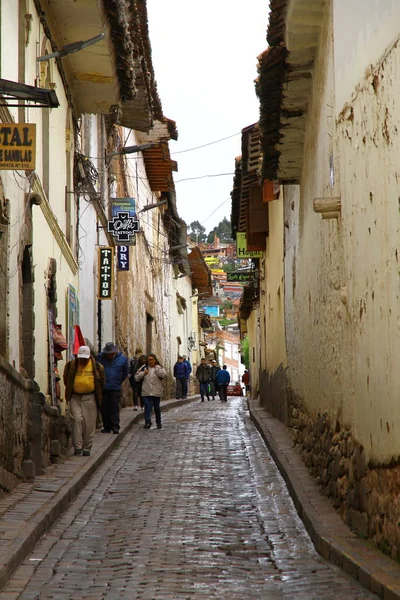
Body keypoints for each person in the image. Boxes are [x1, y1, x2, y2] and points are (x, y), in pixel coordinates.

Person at [63, 345, 105, 456]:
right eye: (81, 358)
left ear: (89, 356)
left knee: (89, 424)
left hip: (90, 397)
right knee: (76, 420)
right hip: (75, 397)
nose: (83, 360)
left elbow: (102, 381)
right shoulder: (71, 365)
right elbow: (66, 379)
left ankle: (87, 448)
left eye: (85, 358)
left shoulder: (97, 366)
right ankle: (77, 447)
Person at [97, 342, 129, 434]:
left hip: (115, 387)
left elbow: (125, 372)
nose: (109, 355)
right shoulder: (100, 358)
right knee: (104, 408)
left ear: (114, 352)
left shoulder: (122, 359)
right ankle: (106, 427)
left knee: (114, 407)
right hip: (104, 387)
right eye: (107, 354)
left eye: (110, 354)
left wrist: (118, 381)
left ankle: (115, 426)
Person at [135, 353, 167, 429]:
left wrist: (157, 370)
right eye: (149, 360)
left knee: (156, 407)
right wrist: (143, 373)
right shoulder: (144, 368)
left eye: (152, 360)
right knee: (148, 406)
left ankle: (158, 422)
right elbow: (136, 377)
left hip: (156, 392)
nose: (150, 361)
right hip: (146, 391)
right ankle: (147, 422)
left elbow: (164, 375)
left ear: (155, 360)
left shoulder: (159, 367)